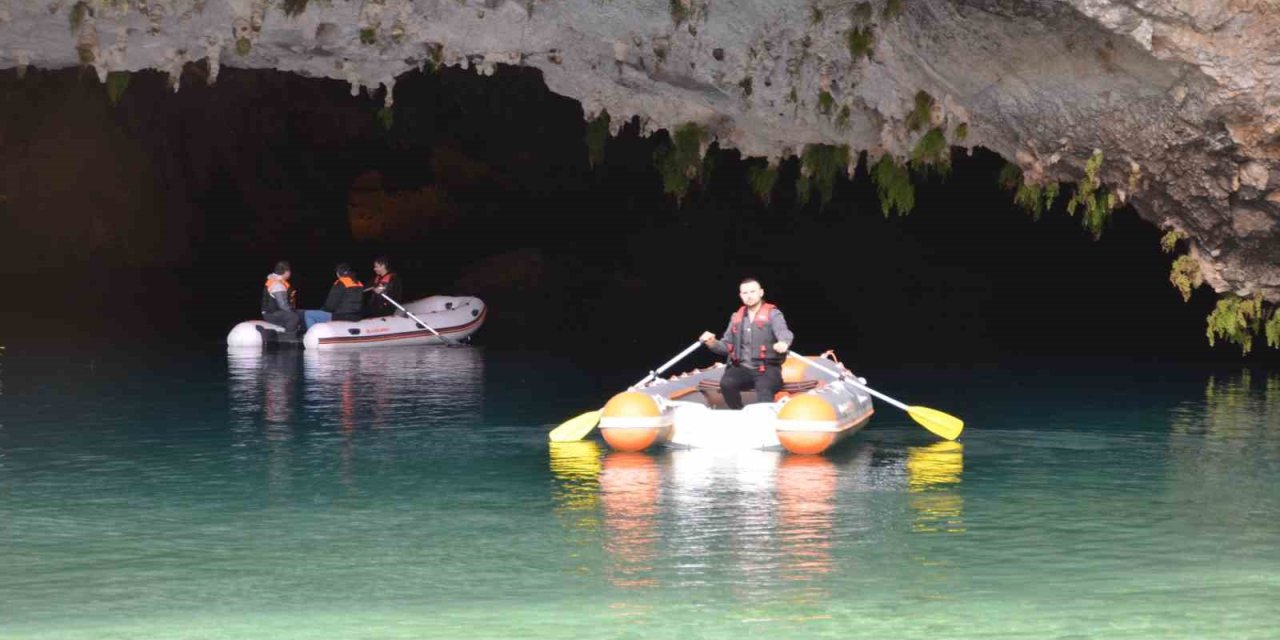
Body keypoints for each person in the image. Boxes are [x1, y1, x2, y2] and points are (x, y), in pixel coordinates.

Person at [699, 277, 794, 410]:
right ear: (741, 296)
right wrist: (712, 343)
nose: (749, 296)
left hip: (766, 369)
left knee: (764, 388)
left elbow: (784, 332)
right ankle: (738, 412)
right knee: (727, 383)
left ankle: (765, 420)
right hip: (742, 368)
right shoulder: (735, 317)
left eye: (752, 292)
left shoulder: (774, 314)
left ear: (761, 292)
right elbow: (726, 346)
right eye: (745, 293)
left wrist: (784, 342)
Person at [303, 263, 365, 329]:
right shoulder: (359, 283)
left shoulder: (341, 282)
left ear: (338, 273)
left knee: (309, 314)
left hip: (341, 316)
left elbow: (330, 305)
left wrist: (323, 309)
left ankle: (313, 336)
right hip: (356, 316)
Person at [261, 260, 301, 333]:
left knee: (300, 313)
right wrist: (292, 312)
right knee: (293, 317)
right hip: (271, 313)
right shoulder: (277, 285)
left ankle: (298, 332)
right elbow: (283, 305)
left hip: (274, 311)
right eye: (290, 271)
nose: (290, 273)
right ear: (286, 272)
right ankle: (288, 337)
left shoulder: (275, 280)